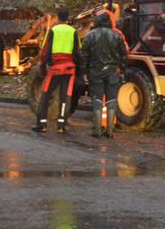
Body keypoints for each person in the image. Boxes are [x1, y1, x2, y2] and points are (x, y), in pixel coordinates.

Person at [33, 8, 81, 134]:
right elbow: (77, 52)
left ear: (58, 18)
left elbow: (45, 51)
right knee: (66, 96)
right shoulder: (73, 31)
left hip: (55, 68)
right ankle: (61, 126)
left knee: (46, 94)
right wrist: (79, 71)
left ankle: (42, 124)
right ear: (67, 18)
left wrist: (43, 67)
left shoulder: (53, 31)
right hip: (69, 68)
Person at [83, 10, 128, 138]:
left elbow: (84, 55)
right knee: (111, 100)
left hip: (95, 72)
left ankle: (97, 130)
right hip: (113, 71)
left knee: (97, 100)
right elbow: (123, 55)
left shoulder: (90, 35)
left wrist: (85, 72)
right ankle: (110, 131)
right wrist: (123, 69)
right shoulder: (117, 35)